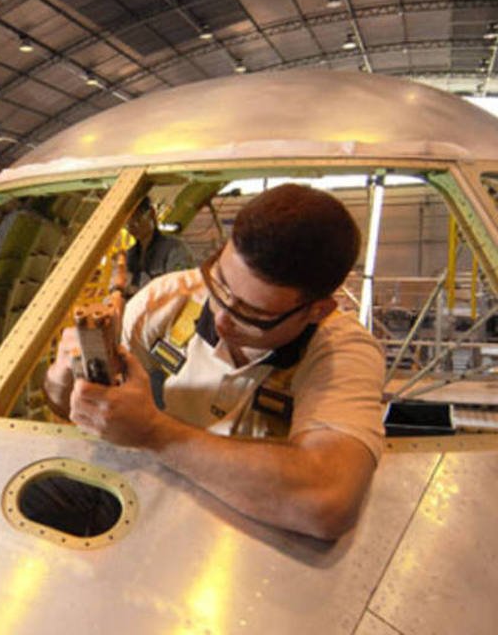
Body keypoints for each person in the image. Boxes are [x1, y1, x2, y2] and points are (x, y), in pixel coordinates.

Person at [44, 183, 384, 540]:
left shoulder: (342, 351)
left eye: (251, 313)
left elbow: (326, 502)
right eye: (220, 284)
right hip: (153, 522)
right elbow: (70, 406)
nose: (221, 319)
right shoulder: (167, 301)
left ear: (316, 310)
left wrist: (154, 433)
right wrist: (64, 379)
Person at [121, 197, 194, 296]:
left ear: (152, 214)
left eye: (136, 218)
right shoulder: (130, 255)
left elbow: (181, 287)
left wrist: (141, 291)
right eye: (127, 222)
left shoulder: (175, 249)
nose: (132, 226)